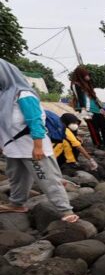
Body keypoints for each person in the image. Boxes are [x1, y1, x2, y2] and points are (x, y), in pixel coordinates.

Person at [0, 58, 78, 222]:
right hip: (13, 148)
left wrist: (38, 147)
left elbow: (35, 121)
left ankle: (65, 210)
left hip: (31, 146)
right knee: (17, 178)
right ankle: (17, 203)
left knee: (46, 178)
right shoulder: (4, 96)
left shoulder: (23, 95)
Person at [70, 65, 105, 148]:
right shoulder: (75, 85)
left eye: (88, 75)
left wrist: (101, 108)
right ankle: (98, 144)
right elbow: (79, 97)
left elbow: (94, 97)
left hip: (96, 108)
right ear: (81, 75)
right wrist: (83, 110)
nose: (88, 76)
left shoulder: (87, 84)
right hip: (87, 110)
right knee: (93, 128)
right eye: (86, 75)